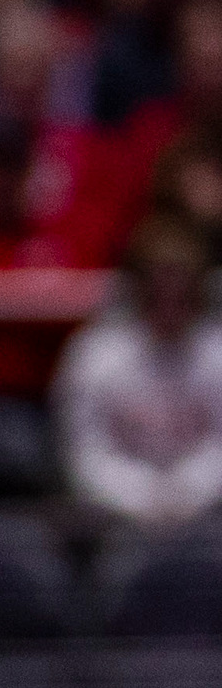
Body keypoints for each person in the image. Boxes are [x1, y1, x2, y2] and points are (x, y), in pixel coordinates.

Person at [52, 220, 222, 527]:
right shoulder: (95, 355)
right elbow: (84, 452)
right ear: (139, 290)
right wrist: (141, 496)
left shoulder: (216, 354)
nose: (170, 309)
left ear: (198, 293)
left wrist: (188, 490)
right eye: (159, 295)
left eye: (181, 297)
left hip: (206, 514)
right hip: (115, 516)